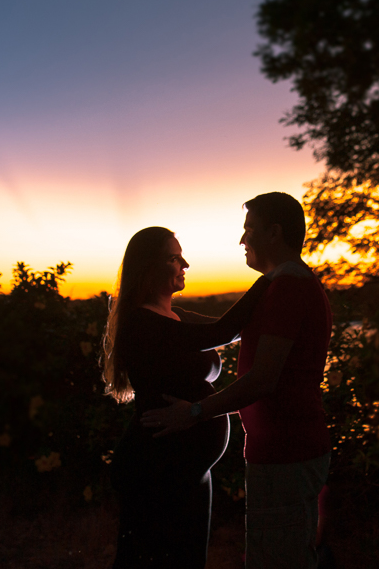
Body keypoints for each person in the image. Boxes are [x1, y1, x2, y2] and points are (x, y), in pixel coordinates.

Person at [141, 193, 333, 569]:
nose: (242, 240)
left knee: (277, 561)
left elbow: (263, 380)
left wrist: (194, 412)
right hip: (280, 451)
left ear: (273, 233)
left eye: (249, 230)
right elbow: (225, 330)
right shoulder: (281, 285)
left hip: (287, 452)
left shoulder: (288, 289)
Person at [101, 226, 272, 569]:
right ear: (149, 267)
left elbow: (233, 329)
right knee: (150, 561)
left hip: (187, 466)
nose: (185, 264)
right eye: (174, 257)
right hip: (156, 464)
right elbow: (222, 332)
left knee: (187, 559)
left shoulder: (173, 316)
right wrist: (273, 276)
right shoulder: (142, 321)